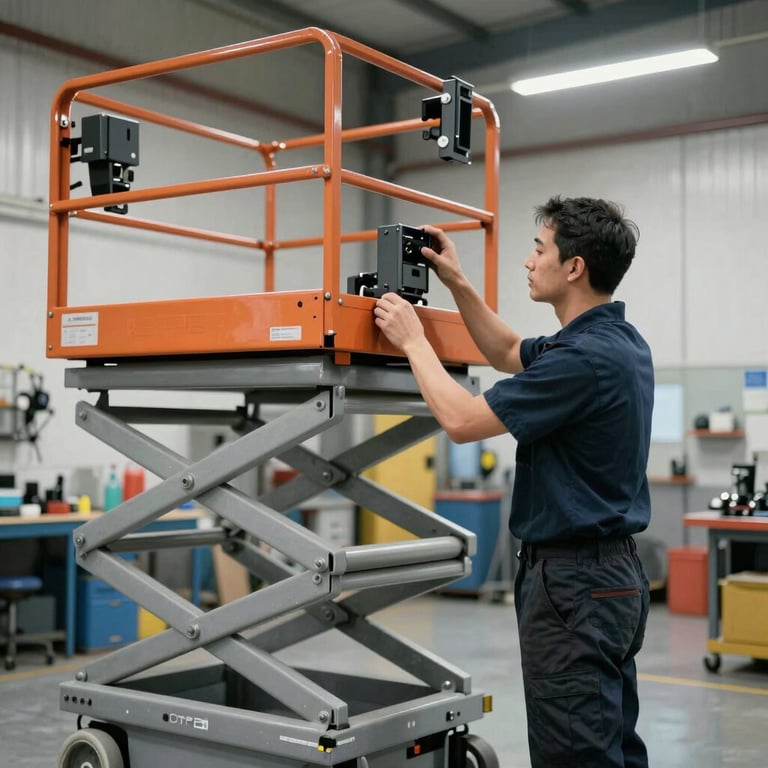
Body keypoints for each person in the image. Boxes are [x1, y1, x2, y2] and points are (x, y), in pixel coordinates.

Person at [373, 195, 653, 768]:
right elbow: (503, 351)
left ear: (574, 267)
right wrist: (455, 281)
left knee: (575, 755)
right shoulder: (617, 343)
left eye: (539, 249)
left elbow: (460, 420)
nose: (529, 261)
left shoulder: (580, 360)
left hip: (573, 586)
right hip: (611, 577)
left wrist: (413, 340)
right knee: (611, 745)